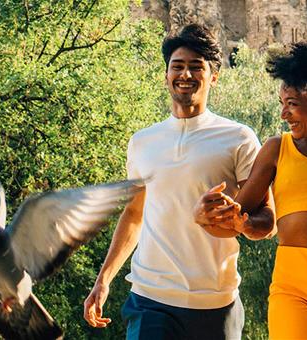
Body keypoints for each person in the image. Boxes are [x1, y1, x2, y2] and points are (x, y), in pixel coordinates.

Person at [82, 23, 270, 340]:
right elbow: (134, 215)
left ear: (214, 76)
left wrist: (240, 221)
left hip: (217, 303)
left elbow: (267, 220)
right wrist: (104, 279)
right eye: (177, 66)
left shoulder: (239, 138)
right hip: (150, 300)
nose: (185, 75)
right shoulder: (142, 142)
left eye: (196, 67)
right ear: (166, 75)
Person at [194, 40, 307, 339]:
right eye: (282, 104)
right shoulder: (276, 149)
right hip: (294, 285)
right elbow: (238, 219)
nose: (283, 114)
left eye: (291, 104)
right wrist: (208, 218)